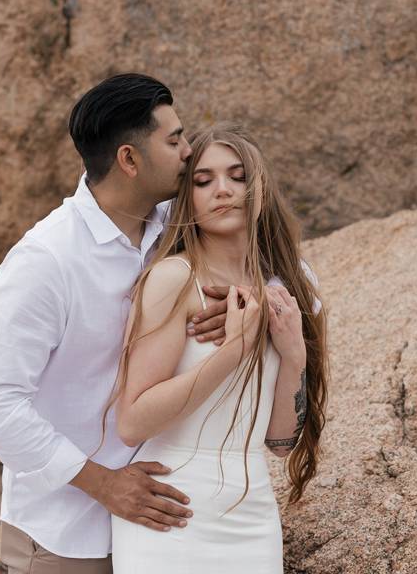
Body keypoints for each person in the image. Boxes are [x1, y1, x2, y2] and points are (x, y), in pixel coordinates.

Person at [0, 74, 229, 574]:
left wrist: (243, 302)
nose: (188, 152)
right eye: (174, 140)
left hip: (169, 523)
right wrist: (105, 484)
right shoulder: (45, 261)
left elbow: (288, 270)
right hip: (67, 536)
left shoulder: (180, 225)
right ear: (129, 160)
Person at [109, 122, 329, 573]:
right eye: (203, 181)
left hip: (252, 514)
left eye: (238, 176)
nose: (222, 190)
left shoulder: (294, 285)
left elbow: (283, 441)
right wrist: (235, 349)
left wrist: (293, 355)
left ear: (260, 187)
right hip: (170, 508)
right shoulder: (174, 279)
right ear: (186, 199)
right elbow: (133, 422)